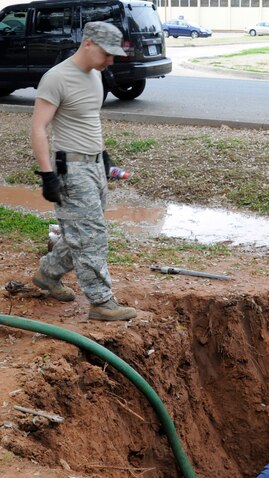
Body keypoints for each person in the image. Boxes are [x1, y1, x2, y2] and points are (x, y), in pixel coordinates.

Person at [31, 22, 137, 321]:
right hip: (71, 170)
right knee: (92, 236)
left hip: (93, 166)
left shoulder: (95, 76)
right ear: (88, 43)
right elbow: (39, 127)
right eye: (107, 54)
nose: (110, 61)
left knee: (80, 230)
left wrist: (104, 156)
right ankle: (102, 303)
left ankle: (48, 274)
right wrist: (47, 175)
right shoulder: (57, 78)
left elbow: (90, 120)